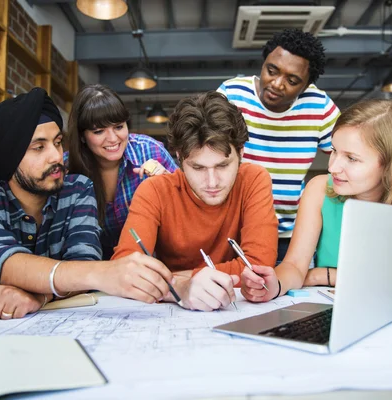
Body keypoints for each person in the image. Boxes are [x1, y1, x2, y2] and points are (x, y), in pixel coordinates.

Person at [0, 88, 174, 319]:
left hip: (69, 317)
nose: (57, 157)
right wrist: (103, 273)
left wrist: (40, 297)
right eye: (39, 147)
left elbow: (84, 260)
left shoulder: (77, 189)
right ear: (8, 157)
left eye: (57, 143)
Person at [241, 99, 392, 302]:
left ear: (391, 163)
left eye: (352, 158)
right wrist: (275, 285)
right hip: (329, 304)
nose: (333, 167)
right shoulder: (319, 189)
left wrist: (323, 275)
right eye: (334, 151)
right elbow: (294, 265)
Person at [111, 91, 278, 311]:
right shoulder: (154, 191)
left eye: (222, 166)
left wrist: (176, 279)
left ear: (241, 153)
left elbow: (259, 266)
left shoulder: (254, 179)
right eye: (198, 168)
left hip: (233, 309)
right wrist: (181, 287)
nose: (212, 182)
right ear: (179, 157)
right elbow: (123, 271)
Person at [218, 28, 341, 262]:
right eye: (271, 70)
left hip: (288, 235)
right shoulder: (232, 94)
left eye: (292, 80)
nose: (276, 84)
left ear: (306, 86)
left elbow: (347, 153)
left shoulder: (319, 106)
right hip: (234, 228)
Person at [67, 84, 178, 259]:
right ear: (82, 136)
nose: (112, 138)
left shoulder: (149, 151)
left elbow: (188, 205)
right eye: (99, 131)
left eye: (118, 127)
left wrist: (170, 184)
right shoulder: (67, 169)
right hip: (92, 272)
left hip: (150, 264)